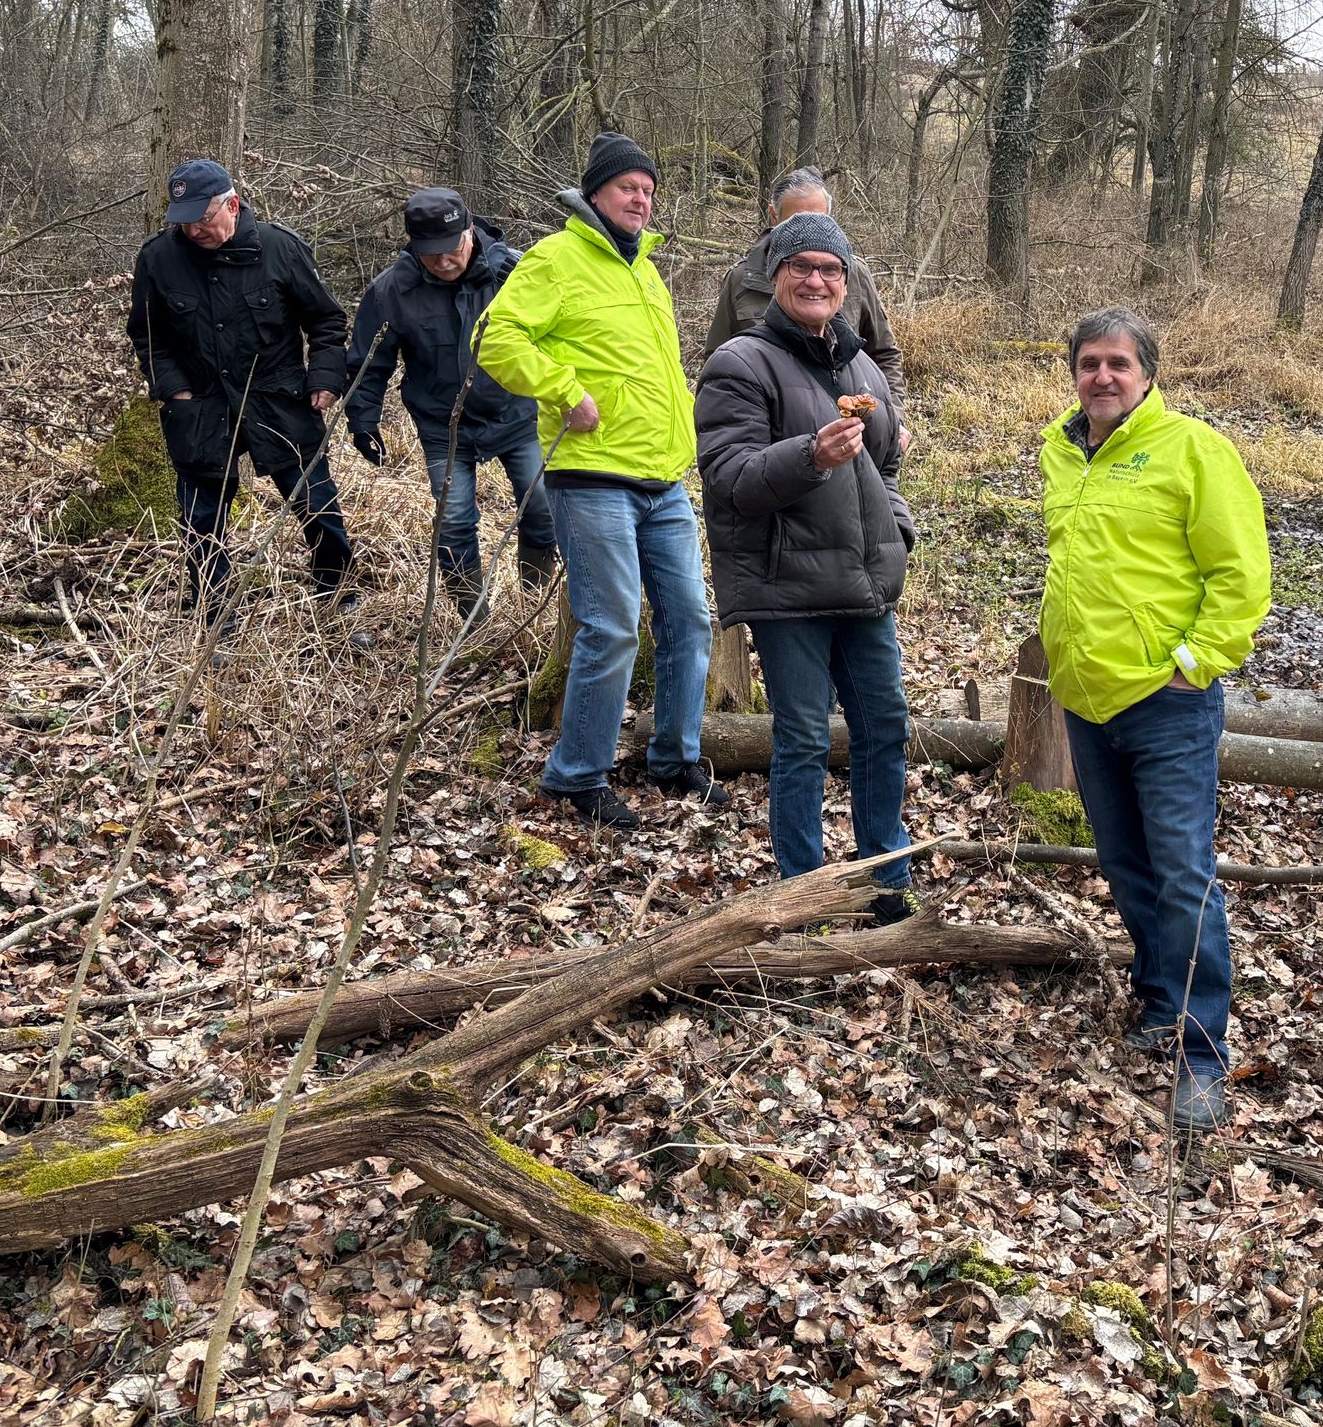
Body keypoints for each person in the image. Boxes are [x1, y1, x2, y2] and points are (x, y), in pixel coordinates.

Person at [1038, 308, 1271, 1133]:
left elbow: (1240, 573)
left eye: (1119, 364)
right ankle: (1160, 999)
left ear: (1147, 375)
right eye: (1089, 361)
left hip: (1166, 702)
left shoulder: (1193, 452)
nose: (1102, 376)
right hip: (1088, 696)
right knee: (1126, 863)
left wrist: (1193, 664)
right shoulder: (1061, 449)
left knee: (1183, 870)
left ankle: (1203, 1053)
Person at [475, 131, 725, 828]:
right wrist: (561, 388)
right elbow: (494, 338)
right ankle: (576, 776)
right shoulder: (556, 259)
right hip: (591, 477)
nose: (641, 199)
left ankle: (673, 758)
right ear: (594, 195)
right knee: (613, 626)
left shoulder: (645, 269)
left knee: (691, 620)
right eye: (627, 188)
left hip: (663, 478)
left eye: (648, 190)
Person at [696, 213, 915, 922]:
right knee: (802, 739)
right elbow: (729, 479)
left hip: (862, 584)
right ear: (775, 277)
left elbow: (884, 465)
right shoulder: (740, 362)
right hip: (788, 587)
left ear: (846, 285)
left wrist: (898, 530)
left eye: (830, 270)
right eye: (802, 268)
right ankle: (803, 893)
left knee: (884, 729)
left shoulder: (857, 365)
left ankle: (887, 879)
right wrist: (808, 457)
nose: (816, 280)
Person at [125, 157, 356, 611]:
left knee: (316, 502)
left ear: (232, 204)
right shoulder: (158, 258)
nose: (193, 231)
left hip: (279, 398)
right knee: (200, 519)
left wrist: (326, 376)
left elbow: (327, 321)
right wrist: (176, 391)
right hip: (201, 405)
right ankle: (215, 612)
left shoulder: (280, 248)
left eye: (203, 219)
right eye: (184, 221)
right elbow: (148, 336)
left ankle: (339, 598)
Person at [345, 187, 555, 618]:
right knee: (455, 520)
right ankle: (471, 620)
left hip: (517, 415)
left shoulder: (515, 273)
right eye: (430, 253)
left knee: (542, 507)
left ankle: (532, 606)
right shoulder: (392, 291)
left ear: (469, 231)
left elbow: (562, 336)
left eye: (451, 249)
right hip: (444, 425)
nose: (443, 262)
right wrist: (362, 420)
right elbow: (369, 363)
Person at [704, 167, 905, 406]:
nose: (807, 231)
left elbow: (884, 354)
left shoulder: (855, 273)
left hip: (851, 430)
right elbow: (716, 363)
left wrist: (893, 420)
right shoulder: (741, 279)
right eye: (795, 221)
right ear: (773, 217)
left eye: (818, 220)